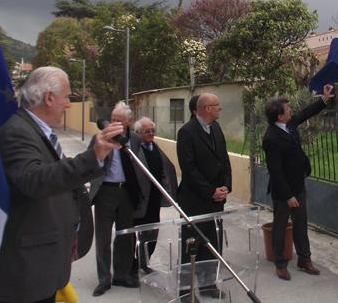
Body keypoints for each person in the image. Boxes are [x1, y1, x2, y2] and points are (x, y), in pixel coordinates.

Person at [0, 66, 123, 303]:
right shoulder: (17, 132)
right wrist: (93, 156)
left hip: (46, 266)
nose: (69, 104)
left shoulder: (37, 131)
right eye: (67, 97)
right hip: (28, 275)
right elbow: (36, 180)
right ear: (49, 98)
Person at [262, 84, 332, 281]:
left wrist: (324, 99)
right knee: (281, 226)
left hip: (298, 184)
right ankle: (280, 263)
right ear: (279, 116)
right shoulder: (271, 138)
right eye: (288, 109)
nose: (291, 110)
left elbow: (305, 113)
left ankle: (304, 259)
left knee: (301, 224)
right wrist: (288, 196)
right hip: (283, 190)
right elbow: (275, 171)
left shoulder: (290, 123)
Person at [176, 93, 232, 301]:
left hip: (216, 200)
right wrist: (210, 191)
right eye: (217, 105)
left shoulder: (216, 128)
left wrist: (225, 186)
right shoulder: (187, 132)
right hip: (195, 201)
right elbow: (189, 169)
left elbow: (224, 160)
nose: (220, 109)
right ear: (207, 108)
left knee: (212, 244)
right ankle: (187, 292)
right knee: (192, 247)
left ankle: (208, 284)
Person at [88, 102, 144, 296]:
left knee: (125, 236)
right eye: (112, 119)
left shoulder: (135, 140)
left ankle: (121, 275)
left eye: (119, 120)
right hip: (106, 191)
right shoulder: (101, 137)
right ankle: (104, 279)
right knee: (103, 237)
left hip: (126, 192)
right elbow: (89, 161)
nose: (114, 123)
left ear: (129, 122)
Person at [131, 117, 177, 274]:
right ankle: (131, 266)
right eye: (147, 131)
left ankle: (144, 262)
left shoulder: (155, 147)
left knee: (152, 233)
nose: (151, 133)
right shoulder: (133, 150)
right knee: (135, 235)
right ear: (137, 133)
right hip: (138, 200)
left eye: (152, 130)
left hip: (154, 199)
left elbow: (165, 170)